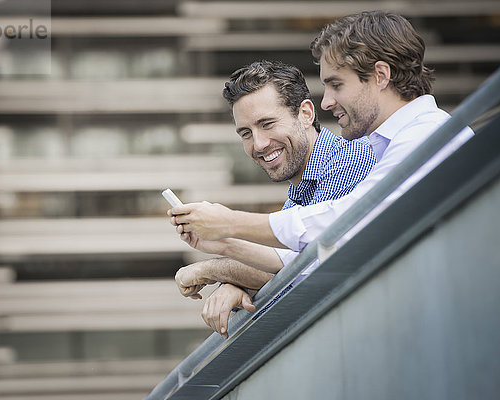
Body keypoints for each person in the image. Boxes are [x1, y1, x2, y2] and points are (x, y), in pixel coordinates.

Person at [169, 11, 473, 336]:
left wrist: (228, 232)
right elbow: (306, 261)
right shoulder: (389, 145)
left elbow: (341, 237)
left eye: (336, 84)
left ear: (381, 76)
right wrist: (225, 247)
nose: (327, 101)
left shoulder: (414, 139)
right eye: (245, 132)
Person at [173, 60, 376, 337]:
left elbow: (307, 272)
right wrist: (232, 277)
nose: (258, 144)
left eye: (267, 124)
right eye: (246, 133)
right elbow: (282, 264)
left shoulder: (348, 160)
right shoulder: (298, 194)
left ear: (305, 113)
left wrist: (216, 270)